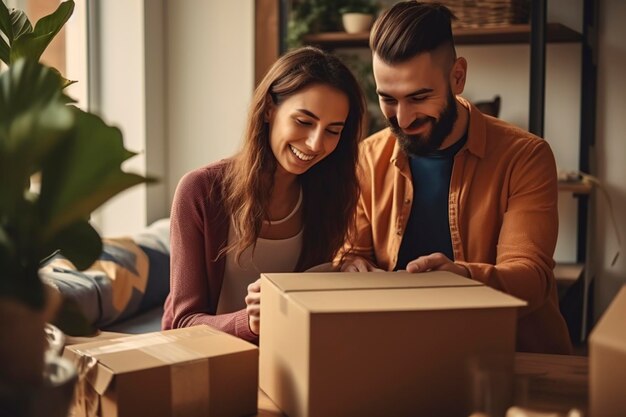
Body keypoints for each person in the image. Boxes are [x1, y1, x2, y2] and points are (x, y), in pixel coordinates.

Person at [339, 1, 572, 354]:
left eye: (419, 97)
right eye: (388, 99)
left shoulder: (525, 156)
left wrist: (462, 278)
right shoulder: (366, 158)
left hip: (508, 356)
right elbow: (353, 252)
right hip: (397, 353)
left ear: (458, 77)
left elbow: (531, 277)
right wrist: (352, 265)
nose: (402, 119)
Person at [162, 47, 366, 343]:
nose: (315, 143)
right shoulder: (200, 191)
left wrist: (344, 269)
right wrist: (251, 322)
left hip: (285, 358)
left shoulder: (329, 194)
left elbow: (304, 299)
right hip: (207, 362)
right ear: (270, 108)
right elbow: (183, 322)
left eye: (333, 131)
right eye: (304, 121)